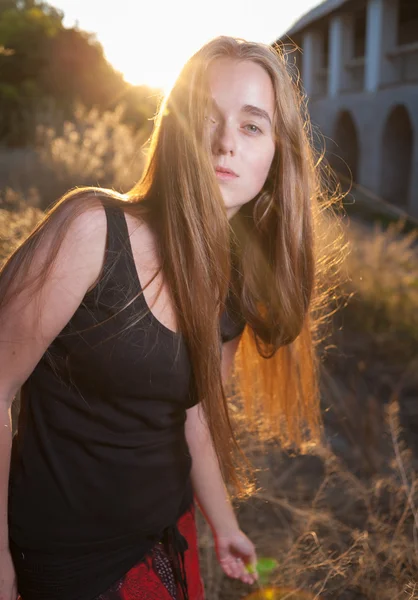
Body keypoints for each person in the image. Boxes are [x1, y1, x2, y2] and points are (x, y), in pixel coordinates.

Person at [0, 36, 341, 600]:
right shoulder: (92, 229)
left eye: (252, 126)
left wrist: (224, 526)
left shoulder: (236, 284)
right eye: (205, 117)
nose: (225, 142)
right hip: (63, 564)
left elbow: (197, 418)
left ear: (278, 154)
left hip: (163, 543)